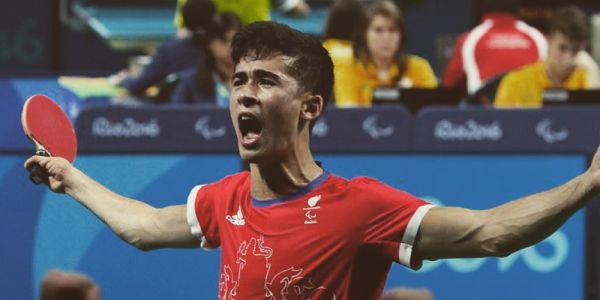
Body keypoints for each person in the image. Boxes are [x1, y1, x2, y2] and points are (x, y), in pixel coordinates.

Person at [25, 21, 600, 299]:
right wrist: (71, 178)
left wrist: (591, 181)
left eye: (266, 81)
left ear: (309, 107)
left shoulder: (361, 206)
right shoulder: (226, 198)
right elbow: (146, 227)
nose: (244, 93)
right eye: (239, 80)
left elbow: (491, 232)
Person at [334, 0, 437, 107]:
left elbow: (433, 114)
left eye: (392, 30)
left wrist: (409, 98)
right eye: (378, 30)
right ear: (364, 34)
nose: (386, 38)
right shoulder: (348, 69)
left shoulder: (420, 67)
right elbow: (348, 117)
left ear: (401, 35)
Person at [112, 0, 215, 99]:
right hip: (217, 110)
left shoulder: (168, 50)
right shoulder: (221, 50)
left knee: (122, 99)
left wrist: (125, 79)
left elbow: (138, 86)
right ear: (213, 20)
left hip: (173, 112)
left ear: (183, 20)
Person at [442, 0, 547, 96]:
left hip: (482, 114)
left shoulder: (469, 39)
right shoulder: (538, 38)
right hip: (532, 114)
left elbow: (449, 83)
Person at [494, 5, 590, 108]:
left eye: (575, 50)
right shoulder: (515, 83)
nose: (568, 57)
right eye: (562, 48)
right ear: (549, 41)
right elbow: (500, 122)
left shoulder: (589, 82)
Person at [170, 12, 242, 106]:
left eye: (236, 41)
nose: (231, 46)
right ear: (210, 43)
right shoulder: (191, 81)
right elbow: (175, 114)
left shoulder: (253, 78)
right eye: (224, 40)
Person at [174, 0, 310, 29]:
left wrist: (286, 4)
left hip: (258, 45)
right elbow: (185, 28)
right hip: (212, 51)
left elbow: (301, 11)